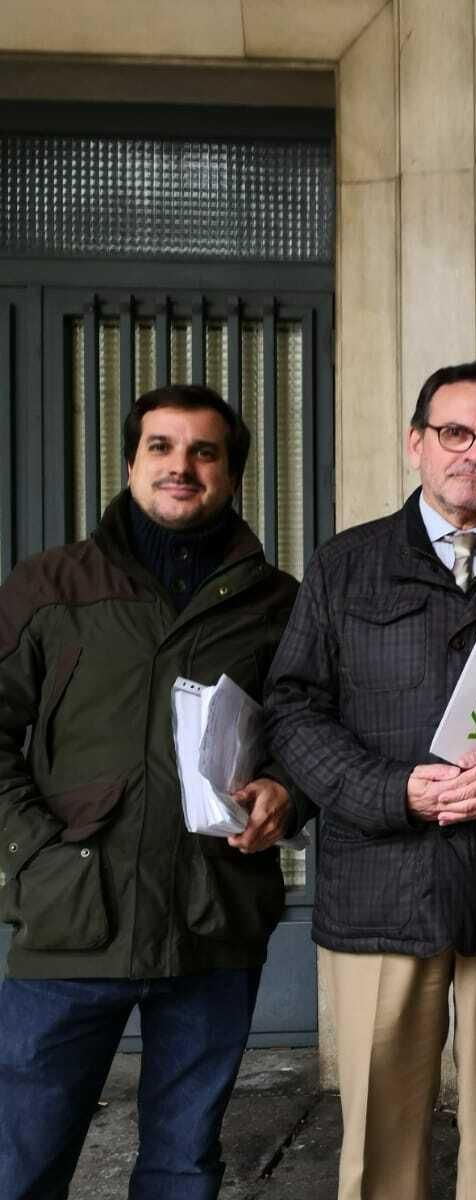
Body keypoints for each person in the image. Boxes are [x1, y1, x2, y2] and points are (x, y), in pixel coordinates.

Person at [264, 359, 476, 1200]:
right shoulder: (344, 566)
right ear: (416, 444)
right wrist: (398, 791)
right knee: (383, 1132)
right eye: (455, 432)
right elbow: (293, 710)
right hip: (383, 882)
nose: (475, 453)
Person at [0, 384, 307, 1199]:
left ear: (232, 473)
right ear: (132, 462)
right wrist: (34, 856)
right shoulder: (49, 587)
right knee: (21, 1161)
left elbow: (311, 733)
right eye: (162, 448)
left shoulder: (278, 603)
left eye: (204, 451)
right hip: (71, 924)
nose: (182, 466)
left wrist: (286, 791)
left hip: (213, 917)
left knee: (183, 1166)